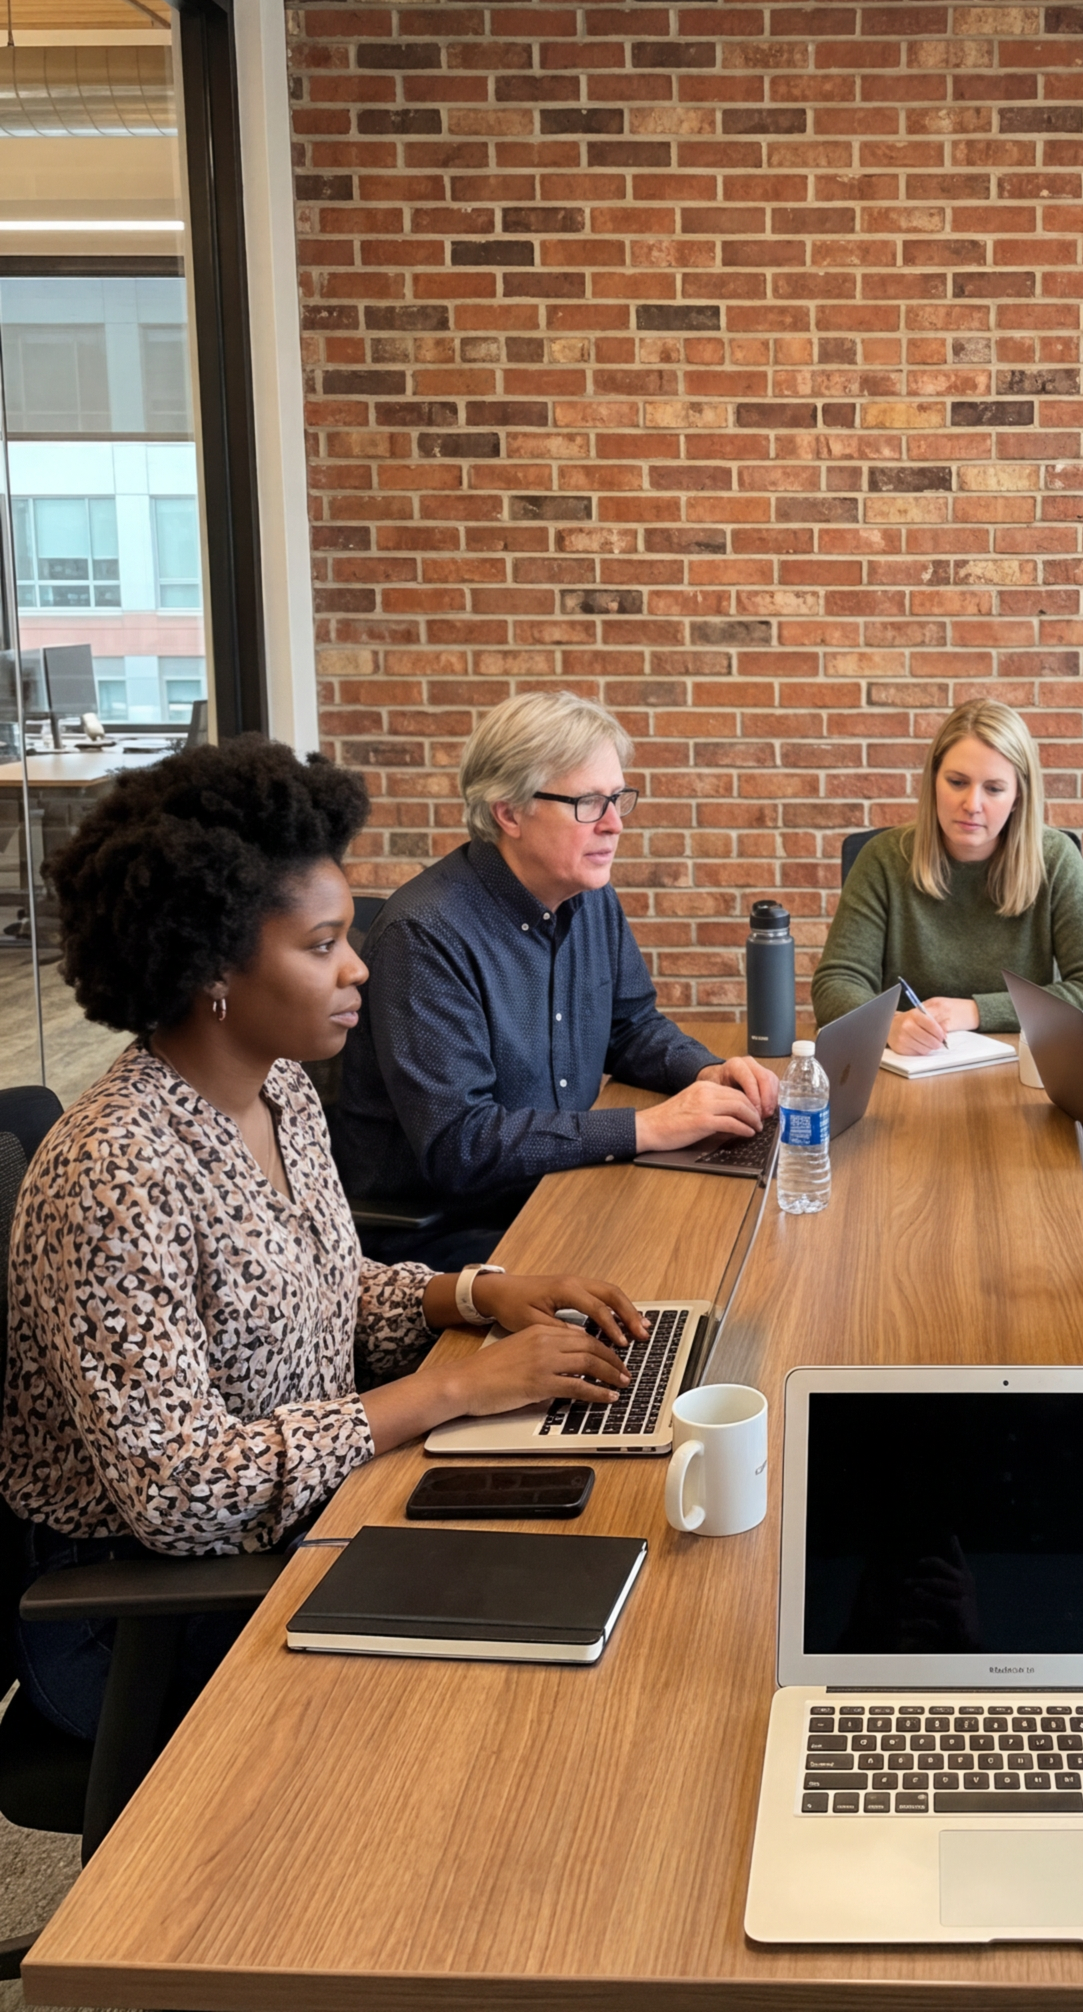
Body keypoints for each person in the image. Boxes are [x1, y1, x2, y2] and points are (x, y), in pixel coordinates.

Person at [0, 735, 649, 1742]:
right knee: (525, 1705)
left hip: (312, 1516)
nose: (356, 966)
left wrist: (475, 1295)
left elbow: (319, 1289)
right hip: (148, 1614)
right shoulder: (115, 1172)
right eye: (320, 945)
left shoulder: (281, 1090)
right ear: (211, 965)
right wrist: (450, 1388)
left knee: (605, 1566)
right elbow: (183, 1492)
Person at [333, 694, 778, 1228]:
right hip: (460, 1235)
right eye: (589, 803)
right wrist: (649, 1127)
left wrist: (707, 1071)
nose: (614, 824)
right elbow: (461, 1144)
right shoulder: (424, 935)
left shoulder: (587, 894)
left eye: (618, 798)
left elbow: (631, 1026)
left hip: (561, 1187)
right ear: (509, 812)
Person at [811, 698, 1083, 1056]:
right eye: (957, 782)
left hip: (1021, 1068)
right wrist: (888, 1024)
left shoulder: (1054, 859)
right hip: (911, 1069)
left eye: (993, 788)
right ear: (933, 781)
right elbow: (835, 984)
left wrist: (975, 1011)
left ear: (1018, 795)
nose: (972, 804)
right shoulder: (883, 859)